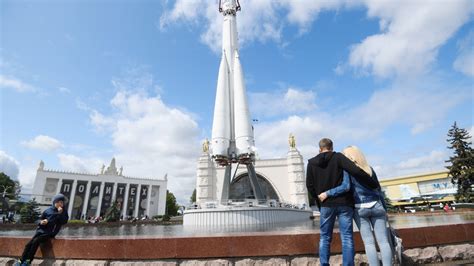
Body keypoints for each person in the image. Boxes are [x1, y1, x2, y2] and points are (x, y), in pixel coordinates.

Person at [306, 138, 379, 266]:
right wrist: (372, 183)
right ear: (332, 147)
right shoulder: (338, 157)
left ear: (320, 149)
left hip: (326, 204)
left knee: (325, 237)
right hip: (344, 203)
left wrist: (319, 203)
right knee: (346, 238)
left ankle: (324, 264)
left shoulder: (311, 163)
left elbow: (310, 186)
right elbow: (356, 171)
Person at [318, 146, 392, 266]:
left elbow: (345, 187)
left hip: (360, 208)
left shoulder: (348, 171)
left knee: (369, 243)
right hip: (377, 206)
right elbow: (379, 190)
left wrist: (327, 193)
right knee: (384, 242)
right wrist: (385, 208)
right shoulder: (370, 170)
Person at [17, 194, 69, 266]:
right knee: (28, 245)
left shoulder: (63, 212)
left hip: (50, 232)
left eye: (62, 203)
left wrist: (59, 213)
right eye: (60, 202)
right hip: (40, 231)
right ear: (55, 202)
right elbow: (39, 220)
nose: (61, 204)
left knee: (36, 241)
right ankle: (21, 260)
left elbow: (64, 221)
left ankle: (28, 261)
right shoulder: (48, 210)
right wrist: (41, 222)